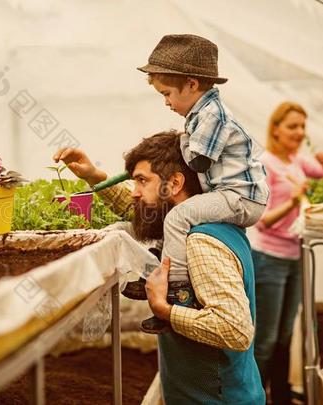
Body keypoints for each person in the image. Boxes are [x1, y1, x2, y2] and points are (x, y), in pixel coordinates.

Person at [53, 131, 265, 404]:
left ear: (174, 183)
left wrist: (164, 309)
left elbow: (235, 330)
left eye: (142, 181)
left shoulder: (200, 242)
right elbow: (141, 211)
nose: (135, 193)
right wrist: (93, 175)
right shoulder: (190, 226)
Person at [124, 34, 269, 333]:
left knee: (179, 214)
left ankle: (177, 290)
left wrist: (182, 139)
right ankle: (160, 264)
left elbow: (197, 161)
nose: (166, 102)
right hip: (227, 191)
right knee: (174, 215)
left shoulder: (213, 115)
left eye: (167, 93)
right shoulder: (199, 114)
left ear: (191, 84)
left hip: (240, 197)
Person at [251, 102, 323, 404]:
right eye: (292, 126)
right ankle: (254, 397)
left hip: (296, 258)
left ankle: (282, 396)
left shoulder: (297, 160)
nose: (299, 132)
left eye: (302, 126)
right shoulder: (266, 164)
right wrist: (294, 201)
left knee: (286, 335)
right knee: (267, 338)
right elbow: (263, 221)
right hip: (269, 259)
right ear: (275, 128)